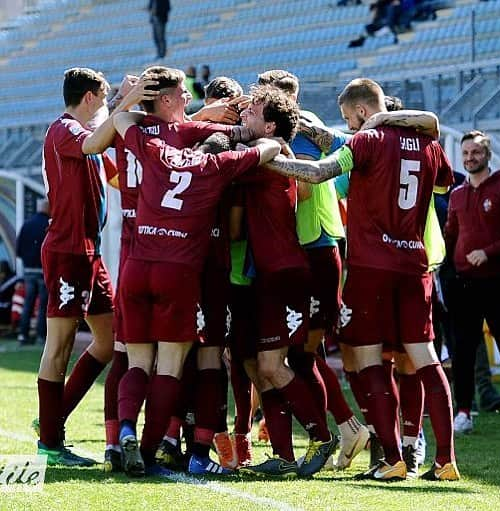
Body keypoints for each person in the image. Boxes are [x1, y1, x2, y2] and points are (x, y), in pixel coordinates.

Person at [263, 78, 459, 482]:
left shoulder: (366, 141)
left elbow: (319, 173)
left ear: (362, 112)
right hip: (414, 265)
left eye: (350, 120)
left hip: (371, 266)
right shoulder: (429, 146)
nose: (351, 127)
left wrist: (268, 161)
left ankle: (392, 458)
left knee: (367, 357)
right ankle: (445, 460)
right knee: (424, 357)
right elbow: (443, 183)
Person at [113, 104, 280, 477]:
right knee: (171, 366)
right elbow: (266, 150)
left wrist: (174, 118)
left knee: (138, 362)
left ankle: (124, 429)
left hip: (137, 268)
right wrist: (257, 138)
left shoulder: (160, 151)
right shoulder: (216, 169)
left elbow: (122, 119)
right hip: (179, 273)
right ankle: (148, 451)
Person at [37, 67, 156, 467]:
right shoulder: (64, 131)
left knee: (107, 341)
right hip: (67, 251)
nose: (106, 107)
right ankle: (50, 445)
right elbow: (93, 143)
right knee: (60, 344)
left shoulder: (84, 135)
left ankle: (52, 419)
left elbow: (114, 172)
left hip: (88, 253)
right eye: (103, 99)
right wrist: (129, 102)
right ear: (89, 97)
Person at [257, 69, 369, 471]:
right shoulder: (305, 127)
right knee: (303, 353)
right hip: (313, 246)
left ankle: (346, 426)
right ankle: (339, 428)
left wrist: (259, 159)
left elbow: (304, 186)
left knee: (305, 353)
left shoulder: (301, 130)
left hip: (317, 247)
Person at [235, 86, 337, 479]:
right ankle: (282, 454)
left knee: (275, 367)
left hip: (286, 273)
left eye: (252, 112)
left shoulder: (271, 153)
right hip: (269, 274)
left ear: (271, 124)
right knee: (262, 367)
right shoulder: (271, 153)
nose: (244, 117)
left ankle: (323, 436)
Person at [444, 130, 500, 433]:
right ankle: (463, 412)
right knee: (463, 350)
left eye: (476, 152)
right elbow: (450, 234)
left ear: (487, 154)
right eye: (466, 153)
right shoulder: (457, 194)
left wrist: (488, 251)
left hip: (498, 281)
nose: (470, 158)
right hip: (463, 284)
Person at [16, 199, 49, 346]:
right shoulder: (48, 225)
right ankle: (41, 336)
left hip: (28, 271)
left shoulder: (27, 224)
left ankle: (23, 334)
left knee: (28, 303)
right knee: (43, 305)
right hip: (43, 271)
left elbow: (18, 249)